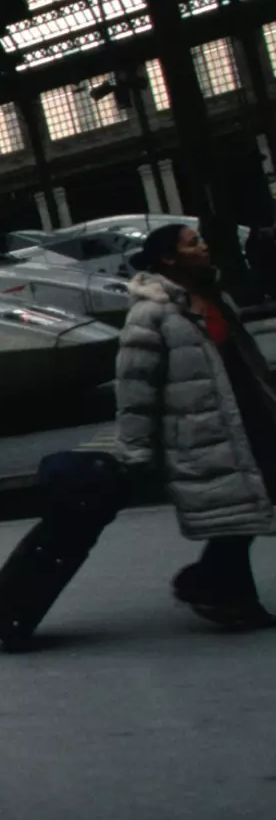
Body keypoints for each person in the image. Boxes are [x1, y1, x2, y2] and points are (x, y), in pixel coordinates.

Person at [114, 222, 276, 628]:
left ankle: (212, 585)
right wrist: (135, 450)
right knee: (236, 514)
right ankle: (224, 594)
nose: (204, 247)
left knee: (251, 507)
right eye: (193, 243)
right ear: (169, 258)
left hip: (245, 419)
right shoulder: (150, 313)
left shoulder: (214, 298)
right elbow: (136, 386)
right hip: (202, 433)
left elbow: (245, 361)